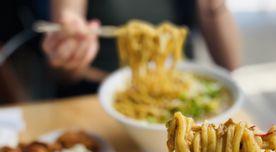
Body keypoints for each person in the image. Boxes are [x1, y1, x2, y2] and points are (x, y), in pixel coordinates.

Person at [42, 0, 241, 95]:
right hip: (102, 93)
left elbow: (230, 63)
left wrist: (213, 5)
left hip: (185, 90)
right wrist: (70, 50)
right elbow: (64, 75)